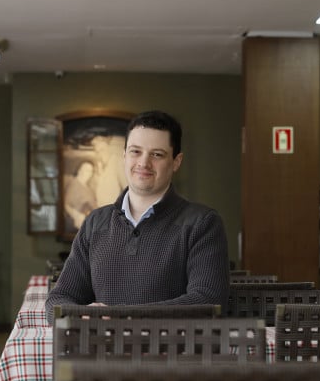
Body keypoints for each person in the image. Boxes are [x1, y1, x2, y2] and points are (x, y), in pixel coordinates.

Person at [45, 110, 230, 325]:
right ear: (124, 156)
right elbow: (58, 300)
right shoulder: (95, 222)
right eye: (135, 151)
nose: (144, 163)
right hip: (101, 346)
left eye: (157, 154)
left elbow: (209, 302)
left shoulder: (203, 223)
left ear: (176, 161)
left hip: (170, 347)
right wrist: (80, 315)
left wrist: (120, 317)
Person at [63, 160, 97, 232]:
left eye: (91, 171)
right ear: (79, 171)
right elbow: (66, 205)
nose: (89, 173)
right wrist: (76, 215)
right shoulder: (73, 184)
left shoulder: (89, 188)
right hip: (79, 226)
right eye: (87, 170)